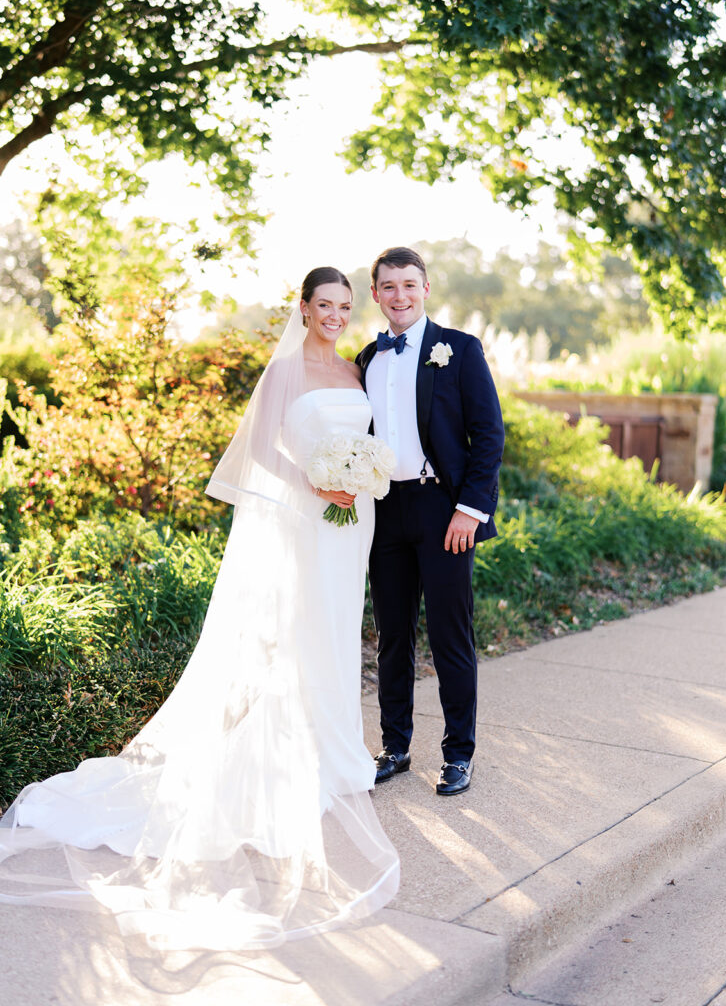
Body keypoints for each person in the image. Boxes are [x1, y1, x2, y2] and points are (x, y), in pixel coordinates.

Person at [0, 267, 399, 951]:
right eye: (323, 305)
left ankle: (337, 753)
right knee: (297, 635)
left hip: (351, 522)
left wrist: (356, 479)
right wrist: (315, 482)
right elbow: (256, 457)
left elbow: (368, 443)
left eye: (343, 306)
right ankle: (288, 762)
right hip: (306, 520)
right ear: (302, 307)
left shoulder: (354, 370)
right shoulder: (283, 372)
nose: (334, 315)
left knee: (336, 630)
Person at [357, 247, 504, 796]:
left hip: (444, 510)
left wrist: (470, 509)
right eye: (389, 286)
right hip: (384, 510)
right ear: (375, 293)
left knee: (450, 636)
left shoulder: (459, 350)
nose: (400, 296)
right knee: (393, 635)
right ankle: (394, 746)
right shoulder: (368, 357)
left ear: (425, 289)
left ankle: (458, 754)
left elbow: (488, 435)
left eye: (409, 285)